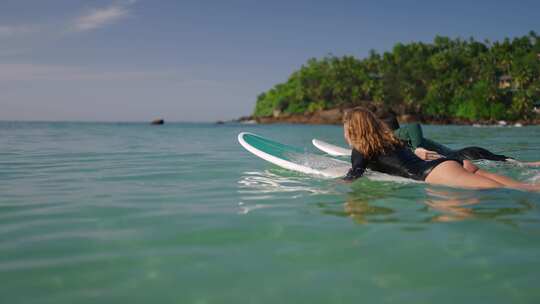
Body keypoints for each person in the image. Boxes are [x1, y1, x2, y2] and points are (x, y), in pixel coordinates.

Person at [343, 107, 540, 191]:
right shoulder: (391, 141)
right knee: (522, 187)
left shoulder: (361, 149)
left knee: (517, 193)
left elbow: (355, 173)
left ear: (352, 130)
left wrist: (337, 186)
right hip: (454, 164)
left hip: (437, 172)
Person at [378, 111, 540, 166]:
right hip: (468, 154)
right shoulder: (401, 142)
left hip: (465, 156)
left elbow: (414, 126)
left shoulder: (397, 135)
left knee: (518, 167)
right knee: (521, 165)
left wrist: (418, 148)